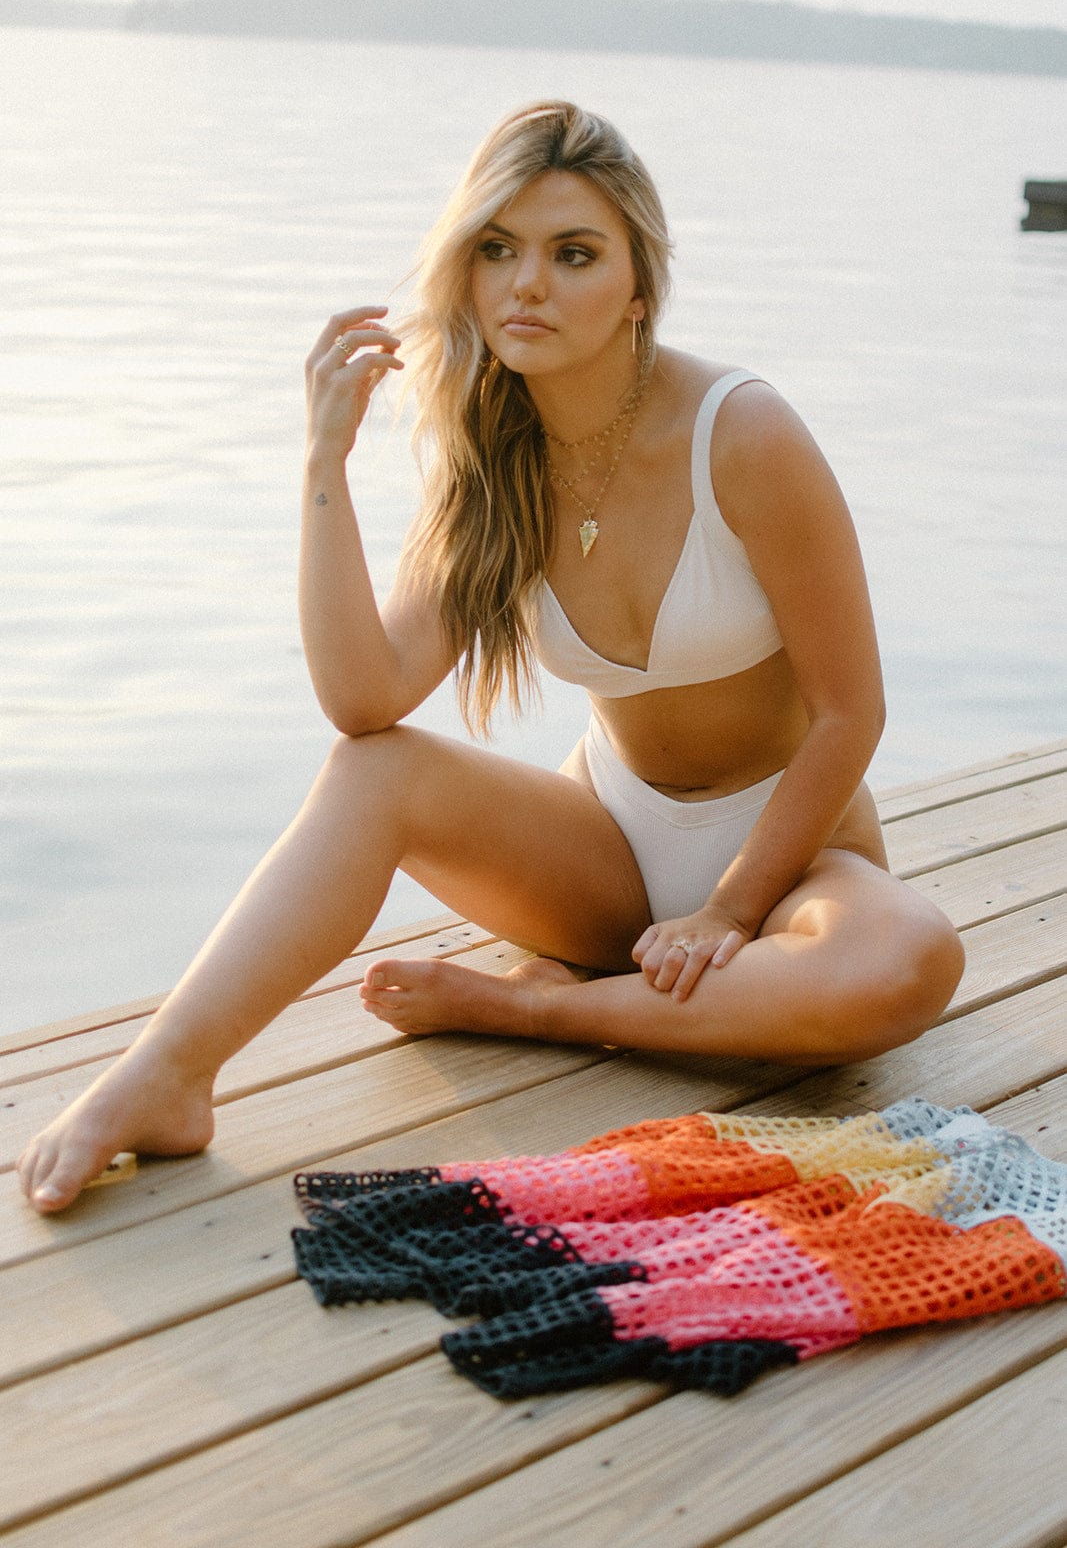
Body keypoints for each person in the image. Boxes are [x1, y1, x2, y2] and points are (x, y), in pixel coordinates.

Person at [18, 100, 964, 1215]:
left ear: (637, 287)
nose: (528, 284)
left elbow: (851, 713)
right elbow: (363, 699)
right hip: (606, 855)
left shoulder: (741, 434)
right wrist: (323, 461)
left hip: (787, 855)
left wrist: (723, 912)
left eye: (573, 255)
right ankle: (164, 1075)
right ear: (464, 274)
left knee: (907, 962)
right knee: (376, 769)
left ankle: (533, 1007)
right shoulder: (492, 458)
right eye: (497, 249)